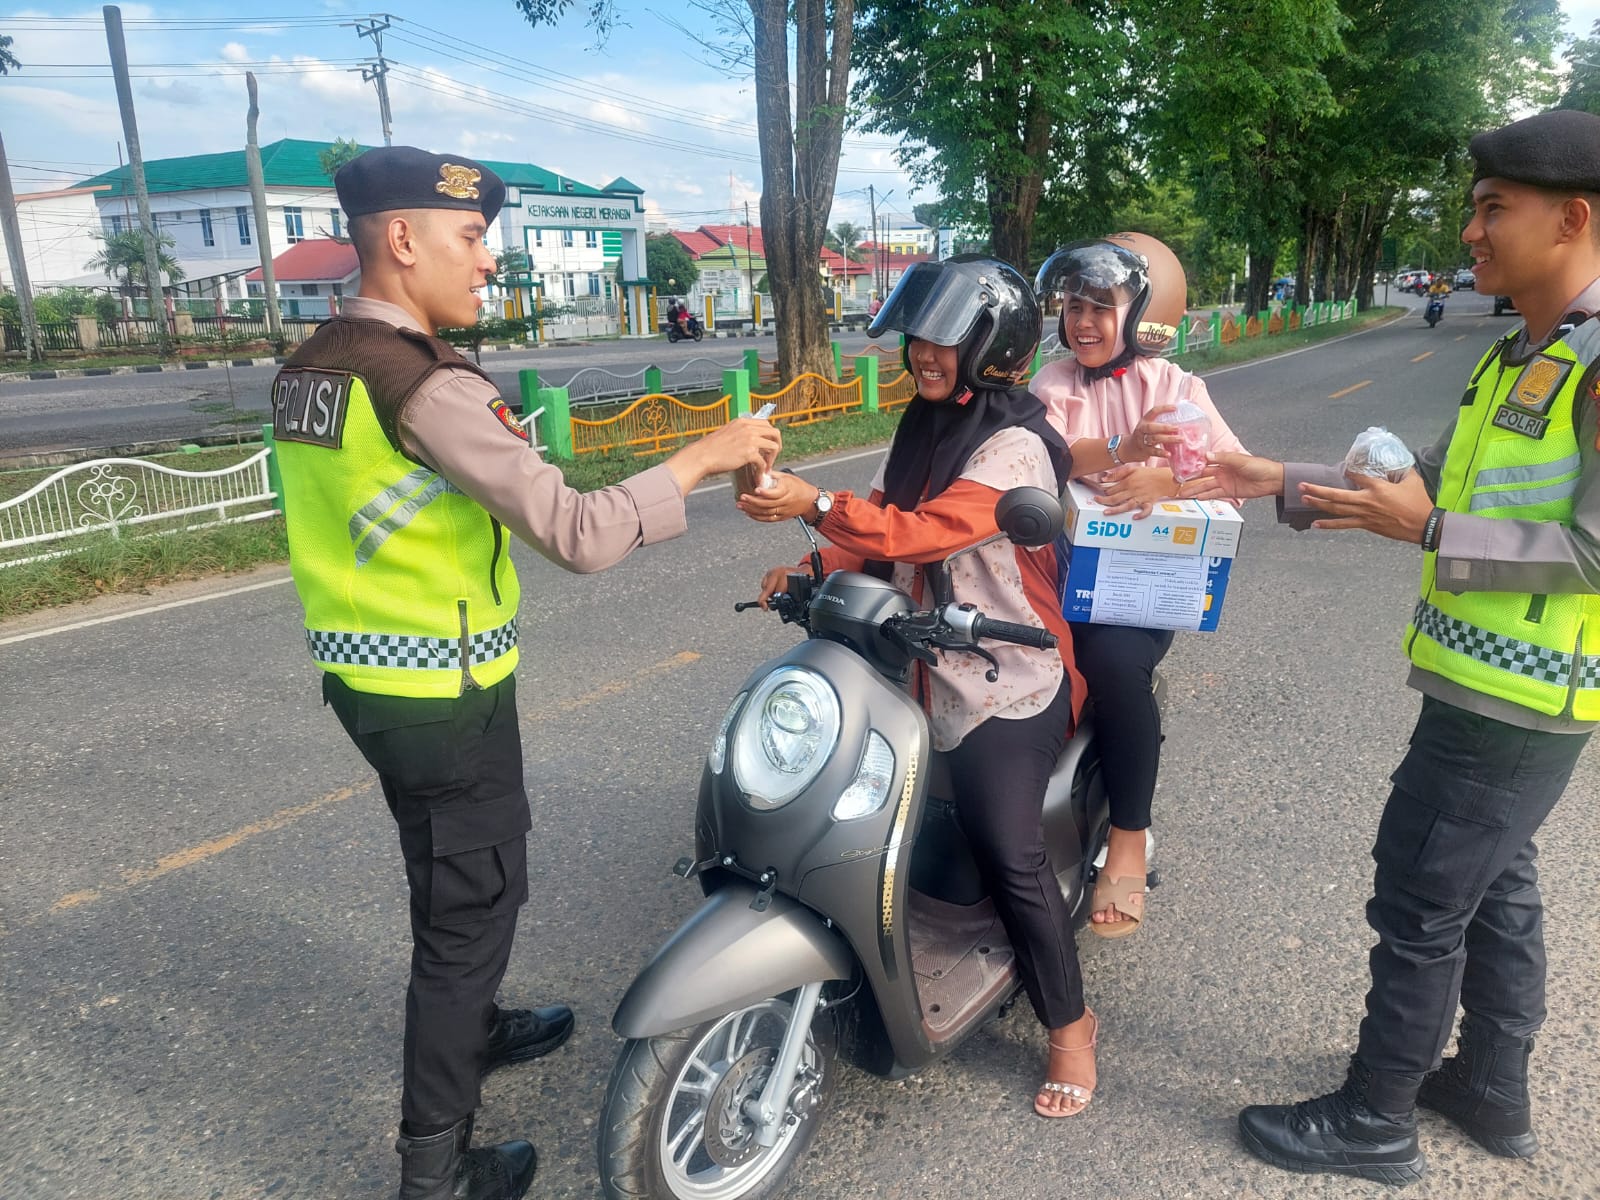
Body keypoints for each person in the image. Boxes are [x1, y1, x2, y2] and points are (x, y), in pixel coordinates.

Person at [268, 146, 780, 1200]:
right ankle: (436, 1167)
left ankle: (480, 1030)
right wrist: (702, 458)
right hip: (439, 690)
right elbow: (580, 533)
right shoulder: (419, 382)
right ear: (401, 240)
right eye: (469, 238)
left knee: (447, 874)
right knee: (474, 906)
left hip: (366, 679)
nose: (486, 262)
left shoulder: (312, 362)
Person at [1182, 108, 1600, 1184]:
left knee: (1418, 900)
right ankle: (1490, 1090)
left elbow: (1593, 550)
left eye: (1491, 209)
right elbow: (1421, 475)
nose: (1469, 232)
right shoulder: (1528, 351)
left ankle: (1374, 1121)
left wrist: (1426, 533)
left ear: (1574, 219)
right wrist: (1271, 478)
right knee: (1493, 885)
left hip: (1519, 707)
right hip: (1486, 691)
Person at [737, 255, 1101, 1119]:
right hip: (909, 659)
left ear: (989, 345)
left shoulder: (1017, 441)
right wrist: (810, 563)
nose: (922, 356)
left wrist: (811, 503)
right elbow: (878, 534)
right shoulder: (920, 424)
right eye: (916, 341)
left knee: (1005, 842)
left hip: (1002, 675)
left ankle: (1071, 1026)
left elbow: (934, 532)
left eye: (941, 341)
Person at [1030, 234, 1247, 938]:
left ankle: (1128, 835)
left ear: (1148, 317)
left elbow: (1236, 473)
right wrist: (1120, 452)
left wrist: (1172, 480)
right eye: (1072, 306)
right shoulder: (1052, 384)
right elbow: (1042, 456)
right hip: (1052, 572)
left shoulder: (1179, 390)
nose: (1083, 322)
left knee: (1115, 668)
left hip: (1140, 587)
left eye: (1101, 306)